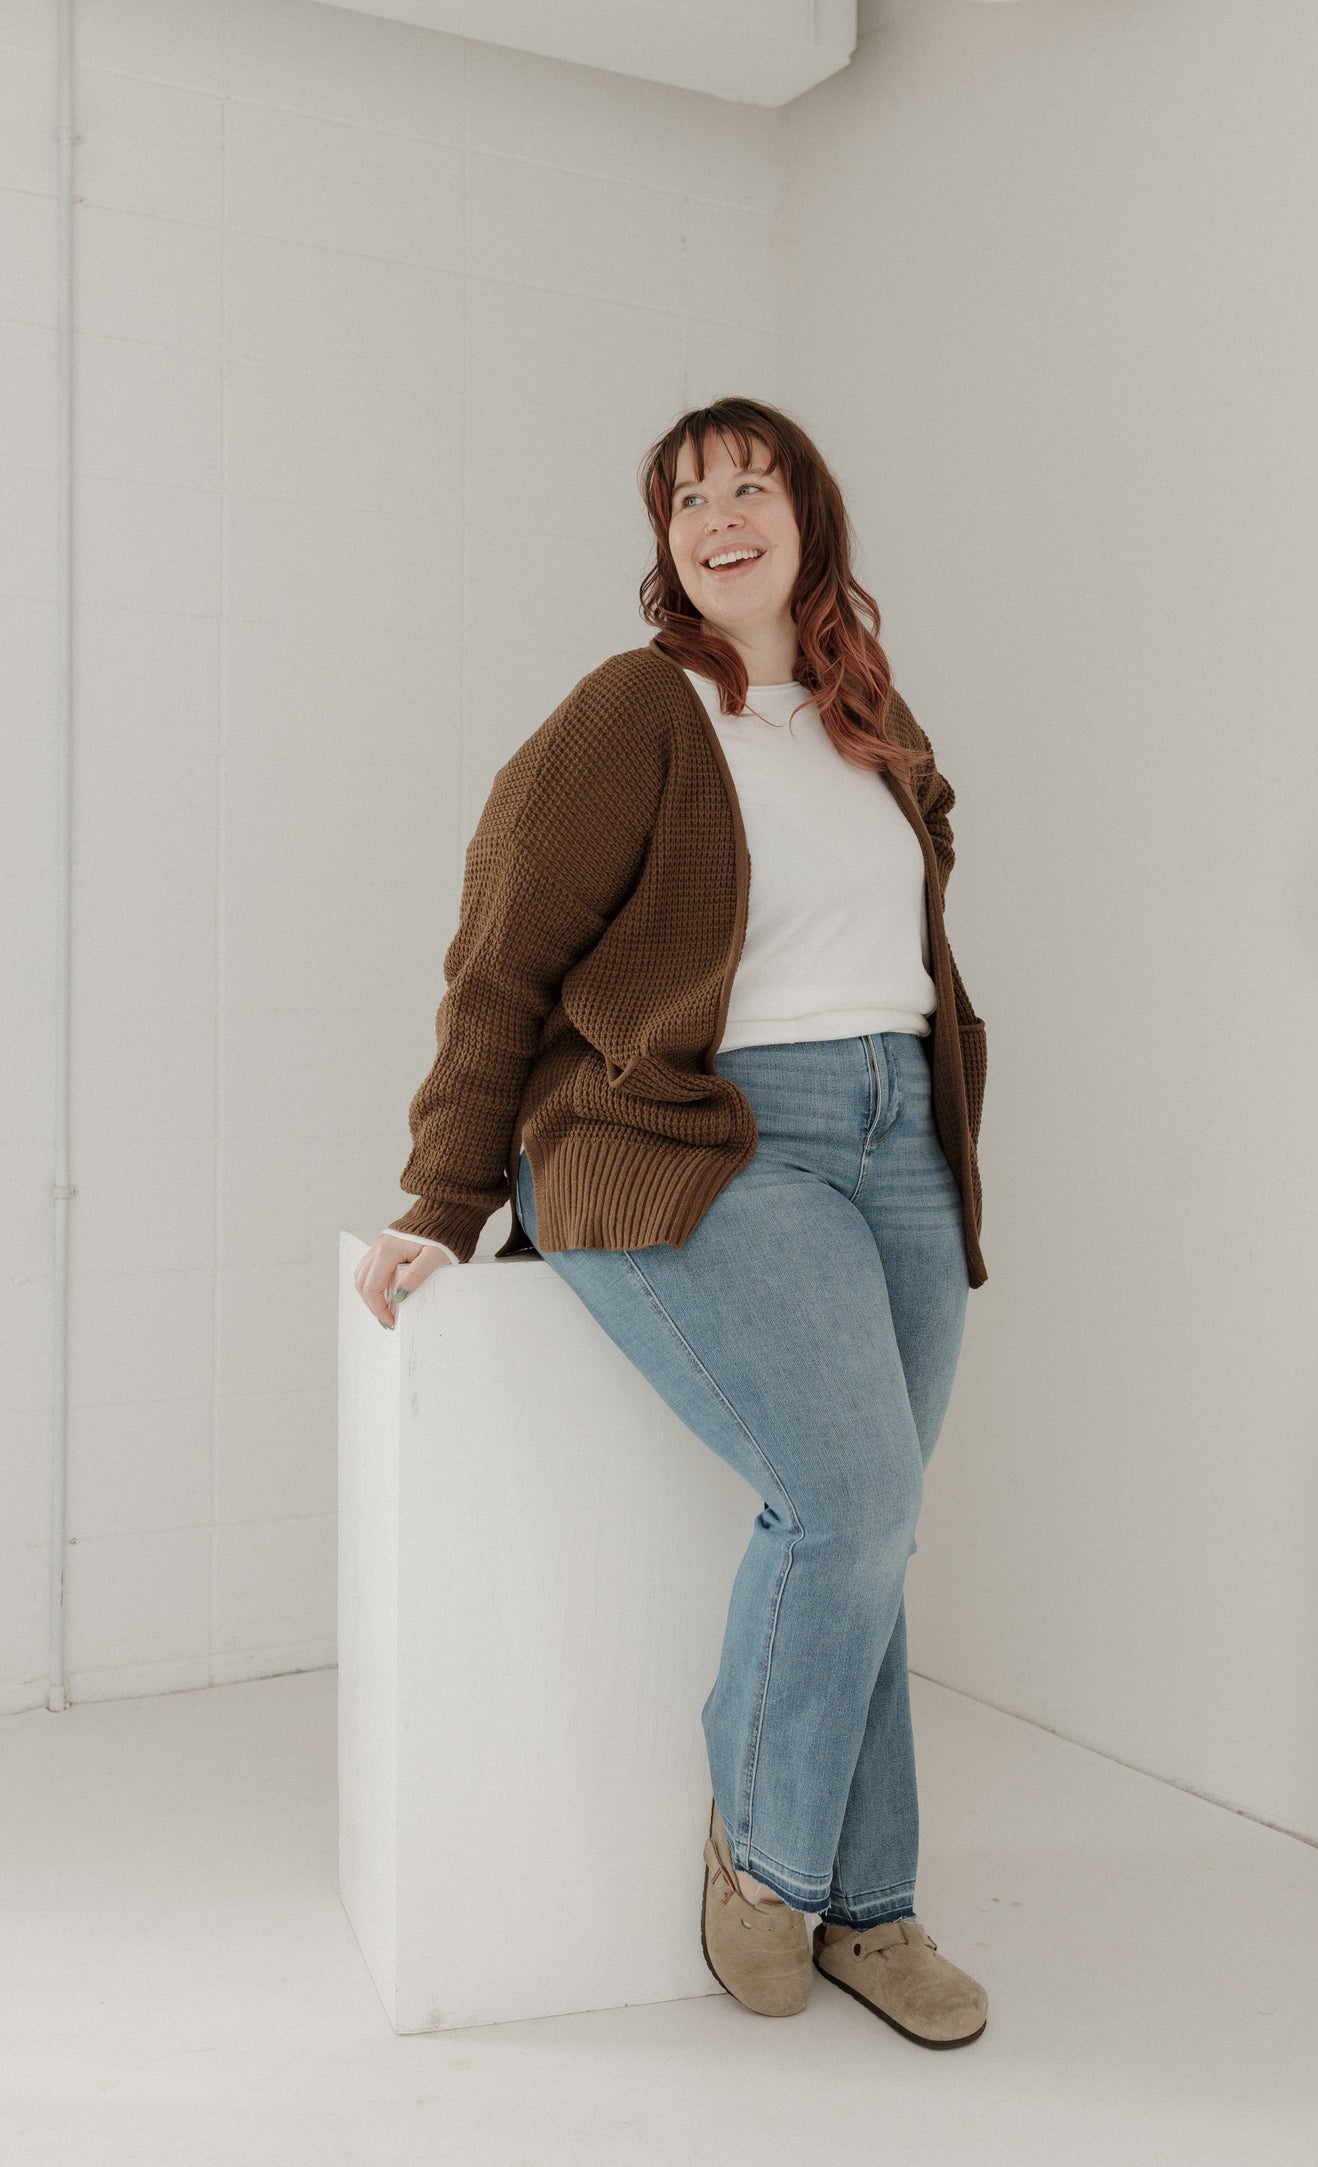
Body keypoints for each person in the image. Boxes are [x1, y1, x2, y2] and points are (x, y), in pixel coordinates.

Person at [353, 398, 991, 2049]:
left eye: (748, 487)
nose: (718, 518)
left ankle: (873, 1905)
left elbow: (907, 911)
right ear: (666, 544)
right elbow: (499, 956)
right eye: (686, 499)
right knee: (848, 1501)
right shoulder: (631, 710)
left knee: (875, 1527)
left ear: (807, 517)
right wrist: (444, 1197)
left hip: (902, 1139)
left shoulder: (868, 716)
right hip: (699, 1133)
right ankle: (768, 1865)